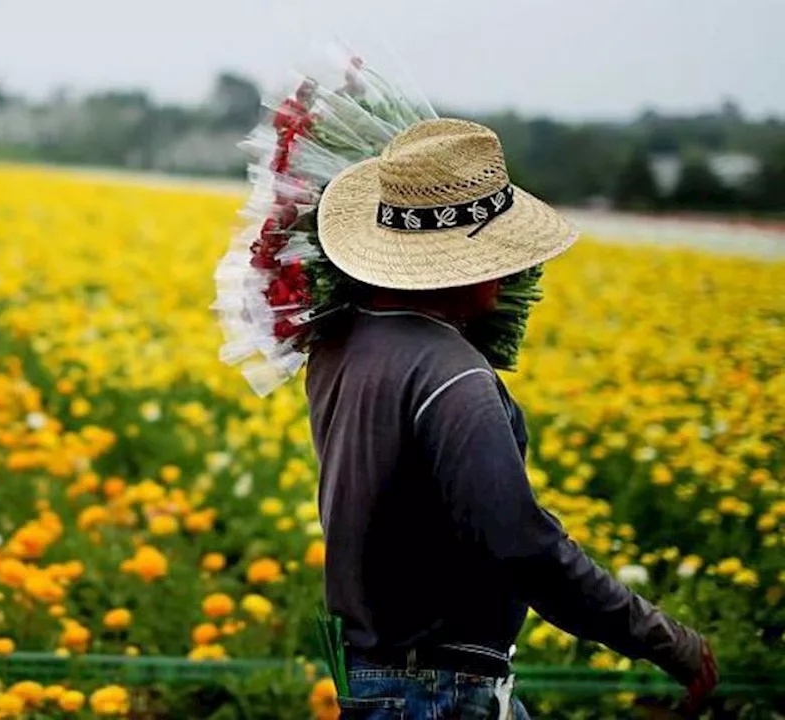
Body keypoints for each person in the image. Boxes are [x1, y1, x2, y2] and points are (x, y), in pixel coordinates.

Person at [305, 119, 718, 718]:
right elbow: (525, 547)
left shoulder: (340, 342)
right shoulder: (454, 378)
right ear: (458, 262)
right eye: (498, 252)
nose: (510, 273)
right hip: (441, 694)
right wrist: (664, 640)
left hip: (381, 679)